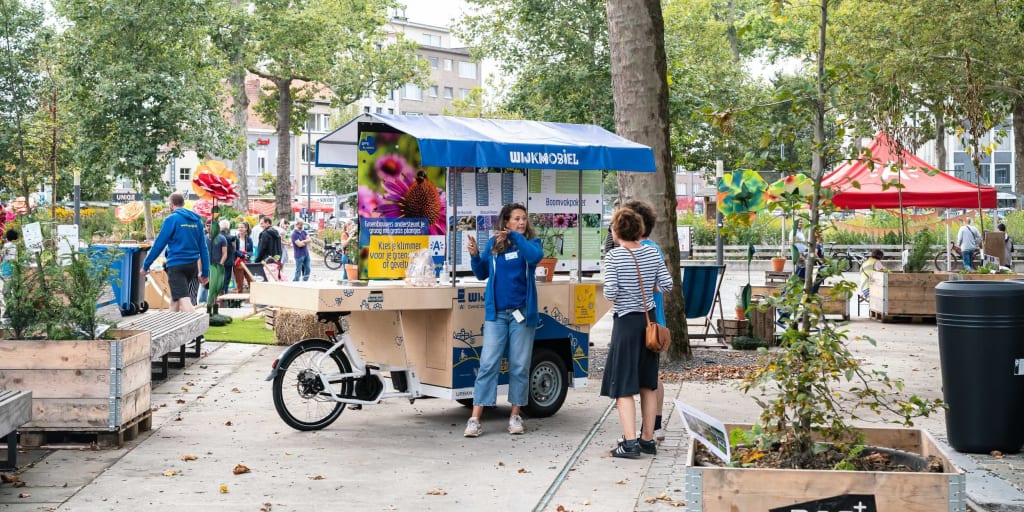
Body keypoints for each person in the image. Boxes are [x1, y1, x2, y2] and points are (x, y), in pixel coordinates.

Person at [463, 203, 543, 438]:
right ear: (505, 221)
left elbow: (534, 258)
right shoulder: (495, 244)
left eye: (524, 219)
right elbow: (481, 273)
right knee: (488, 363)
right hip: (496, 314)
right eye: (516, 218)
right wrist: (475, 255)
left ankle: (515, 415)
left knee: (519, 366)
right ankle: (475, 418)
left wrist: (517, 237)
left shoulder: (531, 244)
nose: (521, 222)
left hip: (521, 314)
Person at [602, 208, 673, 458]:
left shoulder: (614, 258)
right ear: (640, 229)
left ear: (616, 230)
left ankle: (629, 443)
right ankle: (647, 439)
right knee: (648, 384)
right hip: (649, 322)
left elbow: (610, 293)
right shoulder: (652, 254)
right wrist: (646, 287)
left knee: (623, 386)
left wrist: (625, 290)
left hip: (626, 324)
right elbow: (667, 284)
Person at [623, 199, 666, 442]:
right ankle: (653, 425)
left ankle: (653, 425)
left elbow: (658, 286)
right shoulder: (650, 248)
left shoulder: (646, 249)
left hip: (646, 319)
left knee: (650, 376)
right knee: (651, 374)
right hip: (653, 318)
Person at [141, 192, 209, 312]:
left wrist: (146, 265)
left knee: (184, 299)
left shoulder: (171, 219)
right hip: (192, 266)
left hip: (176, 265)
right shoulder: (197, 221)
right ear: (183, 203)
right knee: (175, 299)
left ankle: (197, 329)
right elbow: (203, 249)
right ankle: (170, 327)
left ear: (171, 205)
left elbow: (159, 245)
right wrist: (205, 272)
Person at [257, 216, 283, 281]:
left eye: (262, 223)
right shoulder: (277, 233)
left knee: (266, 278)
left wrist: (257, 259)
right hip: (276, 258)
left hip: (266, 259)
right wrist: (279, 258)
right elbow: (280, 247)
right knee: (275, 276)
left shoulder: (265, 234)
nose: (261, 225)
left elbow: (262, 248)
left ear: (267, 223)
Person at [232, 221, 254, 293]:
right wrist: (242, 255)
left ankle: (253, 297)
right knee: (239, 282)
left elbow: (251, 250)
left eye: (242, 227)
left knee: (251, 280)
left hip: (247, 262)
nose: (240, 229)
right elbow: (234, 250)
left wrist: (248, 255)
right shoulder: (235, 238)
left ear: (246, 228)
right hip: (238, 263)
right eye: (239, 227)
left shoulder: (249, 239)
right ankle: (239, 300)